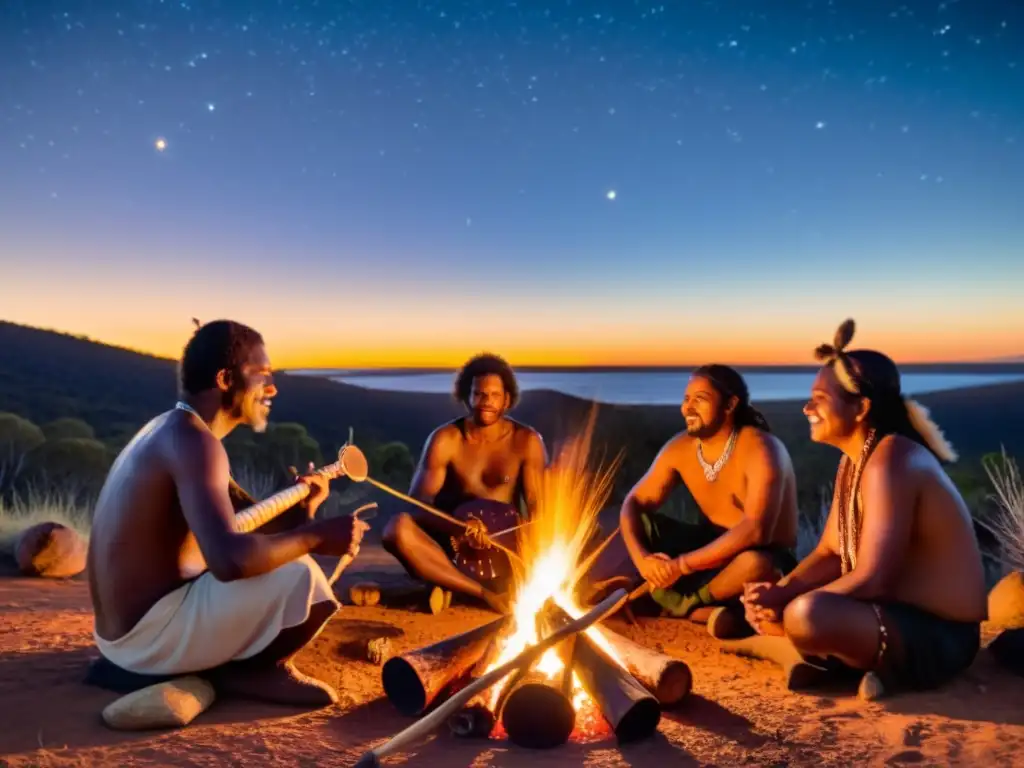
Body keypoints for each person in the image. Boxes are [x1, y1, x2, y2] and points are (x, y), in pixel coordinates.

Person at [86, 319, 369, 708]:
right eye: (262, 376)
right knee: (300, 575)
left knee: (278, 555)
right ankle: (249, 672)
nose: (273, 389)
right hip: (145, 642)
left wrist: (306, 508)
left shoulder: (175, 429)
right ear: (224, 378)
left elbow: (250, 523)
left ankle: (206, 662)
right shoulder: (195, 443)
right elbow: (229, 560)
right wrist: (317, 537)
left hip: (120, 638)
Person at [740, 319, 986, 698]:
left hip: (941, 636)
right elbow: (829, 552)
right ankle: (838, 657)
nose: (807, 408)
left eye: (819, 399)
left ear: (861, 408)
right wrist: (779, 592)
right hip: (889, 616)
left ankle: (862, 663)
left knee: (808, 615)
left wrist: (791, 602)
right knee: (792, 611)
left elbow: (874, 579)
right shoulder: (855, 460)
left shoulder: (893, 460)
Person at [597, 364, 799, 638]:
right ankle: (709, 611)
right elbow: (634, 503)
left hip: (757, 562)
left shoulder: (762, 449)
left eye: (700, 399)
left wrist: (680, 566)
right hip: (706, 552)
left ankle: (681, 606)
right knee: (639, 523)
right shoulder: (680, 448)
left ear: (730, 404)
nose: (688, 408)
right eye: (686, 399)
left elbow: (756, 529)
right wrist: (644, 560)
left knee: (757, 564)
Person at [382, 352, 547, 615]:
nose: (486, 402)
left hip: (505, 551)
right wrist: (459, 528)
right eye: (479, 394)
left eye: (494, 395)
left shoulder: (526, 442)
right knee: (396, 528)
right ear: (467, 396)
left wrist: (529, 555)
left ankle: (447, 584)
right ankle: (482, 594)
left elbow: (539, 508)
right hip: (452, 546)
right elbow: (415, 506)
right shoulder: (445, 440)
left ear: (507, 399)